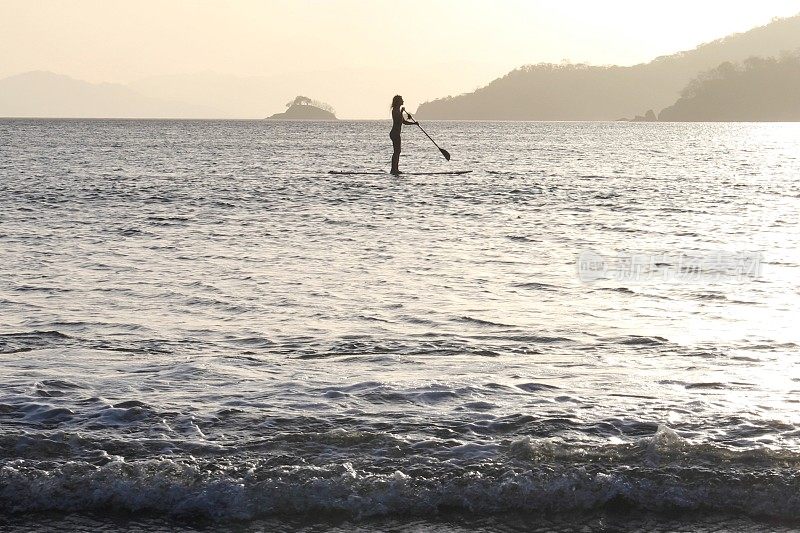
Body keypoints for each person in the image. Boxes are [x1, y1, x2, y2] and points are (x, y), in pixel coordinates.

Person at [390, 95, 417, 175]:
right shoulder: (395, 110)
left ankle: (395, 169)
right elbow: (398, 120)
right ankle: (393, 169)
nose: (403, 101)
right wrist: (402, 112)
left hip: (396, 133)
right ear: (398, 101)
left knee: (398, 151)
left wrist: (414, 123)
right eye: (402, 100)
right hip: (394, 133)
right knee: (396, 151)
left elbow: (404, 122)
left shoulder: (398, 110)